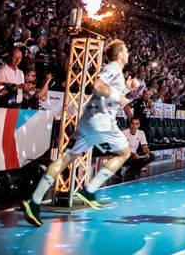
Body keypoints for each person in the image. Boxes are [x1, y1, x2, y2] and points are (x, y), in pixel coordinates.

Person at [21, 39, 135, 227]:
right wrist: (120, 97)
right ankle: (89, 190)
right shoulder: (114, 66)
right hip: (102, 123)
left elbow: (109, 89)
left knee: (65, 159)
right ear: (120, 54)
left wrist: (127, 89)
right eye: (126, 50)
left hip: (88, 122)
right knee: (124, 153)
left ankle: (33, 202)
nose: (128, 53)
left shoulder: (118, 72)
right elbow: (97, 86)